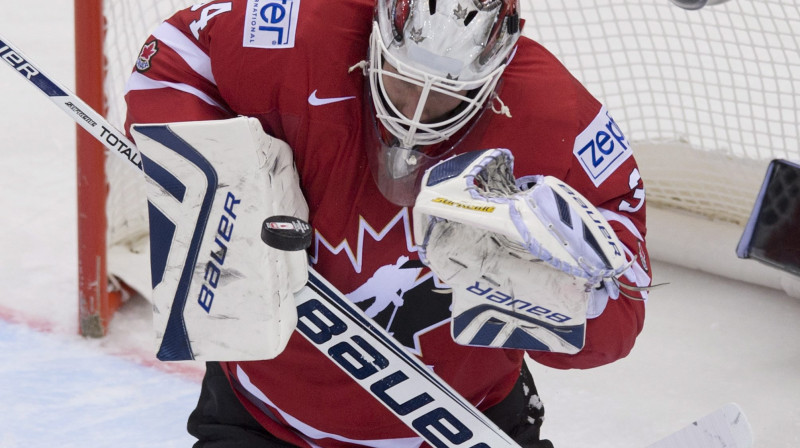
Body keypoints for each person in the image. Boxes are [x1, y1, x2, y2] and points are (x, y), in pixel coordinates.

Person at [124, 0, 652, 446]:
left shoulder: (559, 115)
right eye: (402, 77)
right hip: (261, 416)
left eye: (449, 90)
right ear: (378, 28)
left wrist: (548, 299)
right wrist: (223, 177)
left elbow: (627, 295)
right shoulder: (303, 31)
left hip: (464, 424)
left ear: (500, 66)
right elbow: (174, 51)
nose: (416, 110)